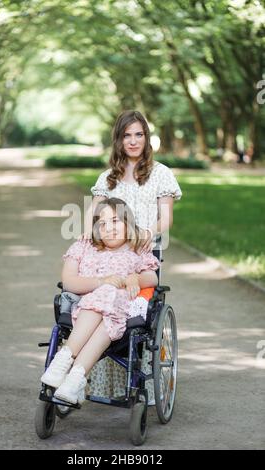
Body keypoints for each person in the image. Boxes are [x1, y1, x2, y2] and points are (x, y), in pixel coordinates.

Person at [81, 110, 183, 404]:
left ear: (146, 138)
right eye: (127, 135)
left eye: (139, 134)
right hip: (110, 255)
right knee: (99, 302)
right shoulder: (108, 177)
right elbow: (92, 214)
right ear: (119, 139)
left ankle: (140, 383)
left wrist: (147, 232)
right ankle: (99, 376)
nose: (133, 141)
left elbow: (165, 219)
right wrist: (85, 235)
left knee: (137, 316)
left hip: (141, 254)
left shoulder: (160, 173)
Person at [41, 197, 160, 405]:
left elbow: (153, 278)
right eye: (102, 224)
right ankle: (73, 372)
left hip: (123, 309)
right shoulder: (84, 246)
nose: (109, 228)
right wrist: (101, 282)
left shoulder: (137, 248)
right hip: (86, 305)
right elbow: (68, 282)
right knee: (105, 295)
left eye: (115, 221)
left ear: (127, 223)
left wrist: (135, 278)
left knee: (109, 301)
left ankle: (68, 364)